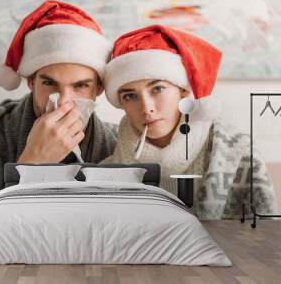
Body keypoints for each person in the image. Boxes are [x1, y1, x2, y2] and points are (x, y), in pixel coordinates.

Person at [0, 0, 117, 219]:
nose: (65, 102)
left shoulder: (119, 146)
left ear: (99, 88)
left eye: (81, 86)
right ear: (31, 82)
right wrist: (33, 162)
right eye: (49, 83)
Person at [102, 24, 277, 219]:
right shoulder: (107, 162)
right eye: (130, 96)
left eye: (158, 89)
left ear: (183, 90)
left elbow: (264, 237)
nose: (146, 108)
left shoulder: (238, 153)